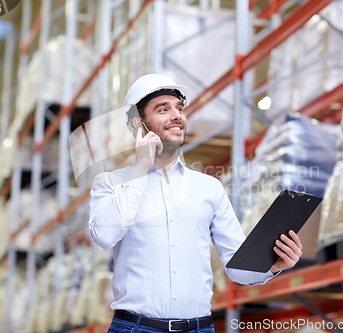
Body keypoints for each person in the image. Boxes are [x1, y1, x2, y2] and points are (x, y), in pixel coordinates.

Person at [89, 74, 303, 333]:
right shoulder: (111, 183)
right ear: (138, 123)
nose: (176, 115)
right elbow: (104, 235)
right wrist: (140, 169)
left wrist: (271, 264)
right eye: (163, 109)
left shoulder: (208, 188)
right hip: (136, 328)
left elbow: (237, 266)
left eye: (179, 108)